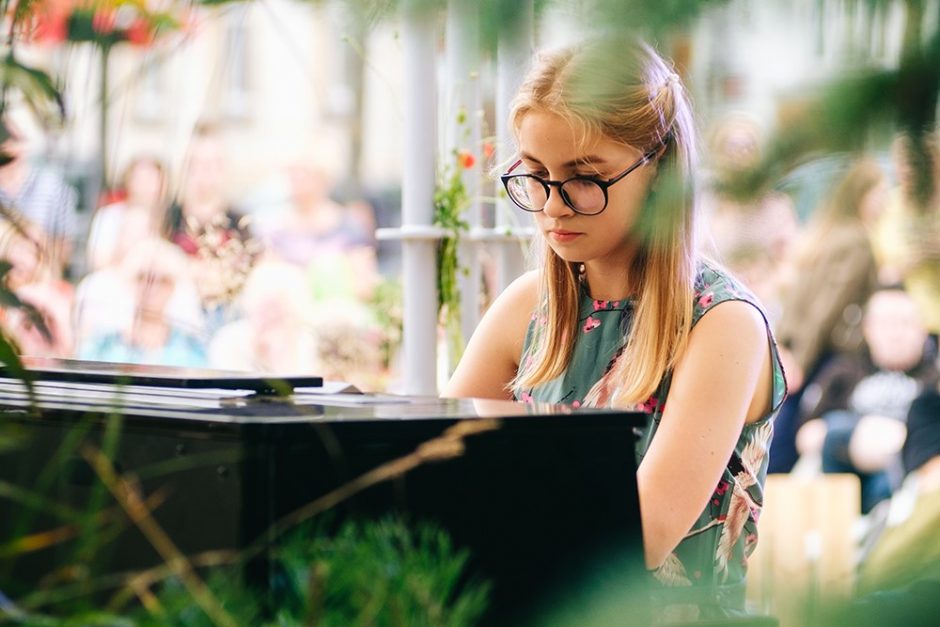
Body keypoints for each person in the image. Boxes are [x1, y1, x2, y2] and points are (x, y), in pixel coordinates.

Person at [442, 39, 786, 619]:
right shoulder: (528, 307)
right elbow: (435, 473)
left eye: (584, 177)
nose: (552, 206)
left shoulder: (722, 323)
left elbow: (638, 536)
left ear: (660, 172)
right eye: (534, 174)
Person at [770, 158, 888, 472]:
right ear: (862, 196)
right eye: (880, 194)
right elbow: (828, 307)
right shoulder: (856, 242)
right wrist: (803, 363)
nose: (884, 203)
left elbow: (798, 299)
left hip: (798, 348)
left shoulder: (826, 235)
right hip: (822, 354)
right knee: (791, 434)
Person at [795, 287, 938, 512]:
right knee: (835, 427)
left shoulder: (934, 377)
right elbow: (807, 435)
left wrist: (898, 441)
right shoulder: (845, 371)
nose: (896, 334)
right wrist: (861, 435)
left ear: (923, 329)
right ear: (868, 329)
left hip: (907, 475)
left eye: (906, 323)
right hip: (847, 474)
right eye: (886, 324)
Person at [78, 237, 206, 368]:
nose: (152, 288)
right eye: (142, 278)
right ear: (128, 283)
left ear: (173, 287)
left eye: (163, 281)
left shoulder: (190, 347)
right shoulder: (104, 344)